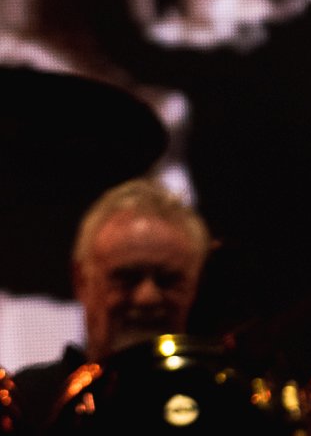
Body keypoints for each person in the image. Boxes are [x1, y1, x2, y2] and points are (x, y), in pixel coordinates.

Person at [6, 180, 209, 431]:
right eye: (126, 277)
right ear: (80, 280)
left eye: (168, 280)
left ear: (197, 284)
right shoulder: (27, 405)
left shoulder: (231, 403)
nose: (147, 297)